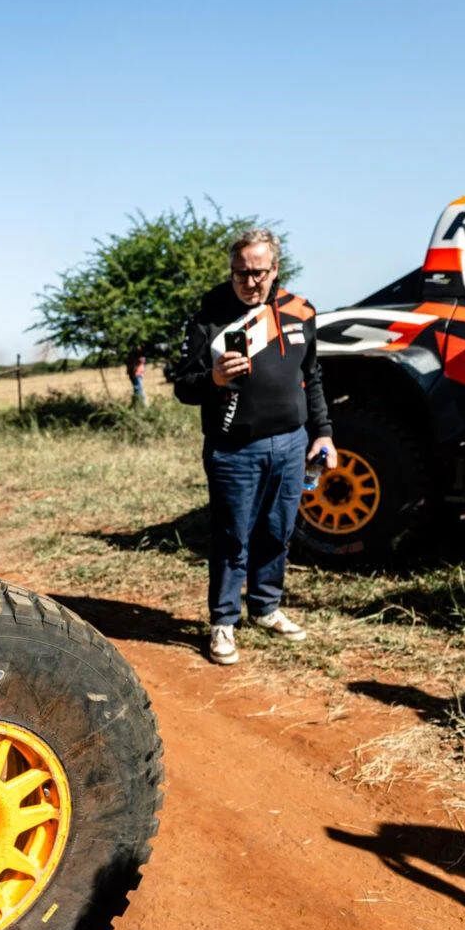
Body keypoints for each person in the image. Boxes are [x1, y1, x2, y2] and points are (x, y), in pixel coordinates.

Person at [169, 228, 335, 665]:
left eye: (258, 272)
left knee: (278, 532)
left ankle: (265, 607)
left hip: (292, 443)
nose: (249, 282)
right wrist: (215, 379)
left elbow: (312, 376)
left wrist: (323, 433)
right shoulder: (210, 316)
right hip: (234, 450)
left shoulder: (300, 311)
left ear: (275, 269)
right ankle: (223, 622)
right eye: (240, 273)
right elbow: (183, 386)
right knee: (231, 538)